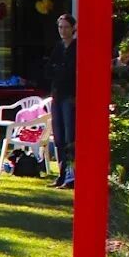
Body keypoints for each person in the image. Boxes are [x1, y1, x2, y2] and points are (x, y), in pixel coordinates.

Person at [46, 14, 77, 188]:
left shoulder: (77, 48)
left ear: (73, 28)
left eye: (66, 27)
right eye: (60, 27)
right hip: (57, 95)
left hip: (70, 96)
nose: (63, 30)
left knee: (69, 137)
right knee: (58, 138)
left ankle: (72, 176)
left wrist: (60, 69)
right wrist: (59, 69)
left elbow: (71, 72)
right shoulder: (58, 47)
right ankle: (61, 174)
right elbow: (49, 70)